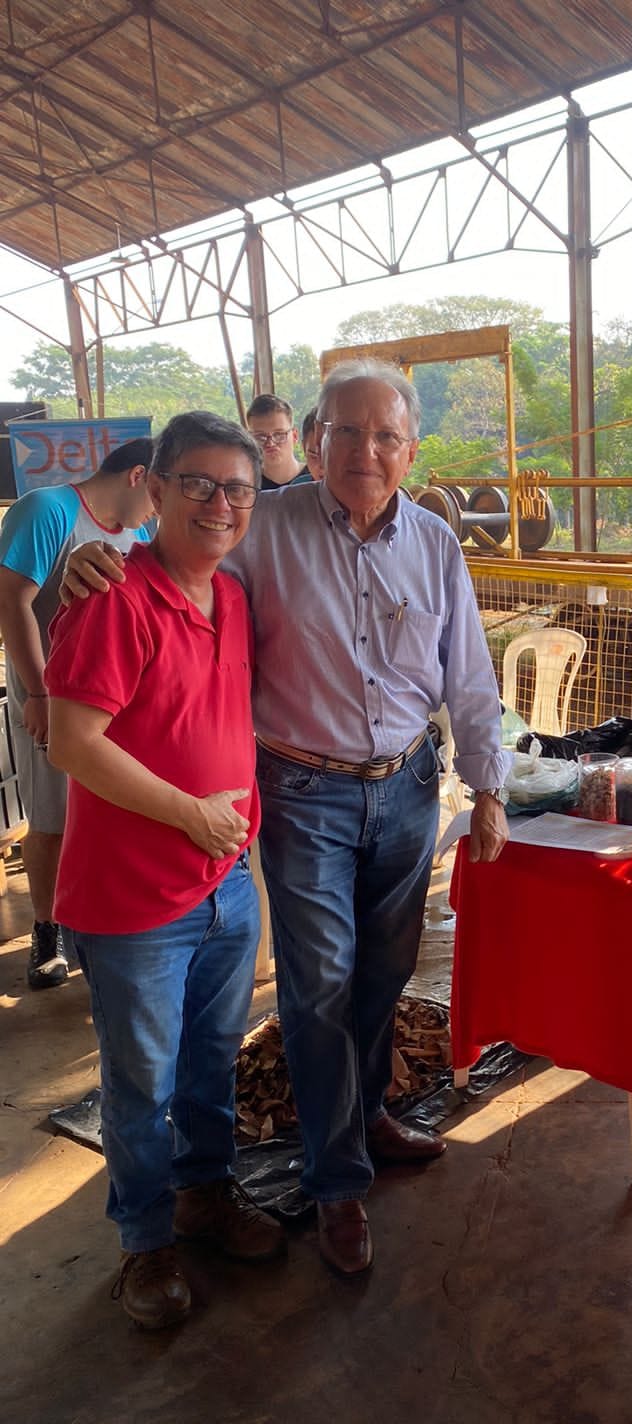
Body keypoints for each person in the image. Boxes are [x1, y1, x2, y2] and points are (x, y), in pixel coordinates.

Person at [64, 361, 509, 1279]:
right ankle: (336, 1181)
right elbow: (178, 548)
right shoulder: (265, 531)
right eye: (345, 433)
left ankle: (369, 1114)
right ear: (313, 443)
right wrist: (91, 556)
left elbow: (468, 674)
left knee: (384, 971)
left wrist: (488, 785)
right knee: (317, 986)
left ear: (410, 449)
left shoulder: (434, 542)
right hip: (301, 791)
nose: (365, 453)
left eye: (384, 436)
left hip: (408, 786)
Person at [45, 412, 282, 1329]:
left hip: (222, 885)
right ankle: (145, 1243)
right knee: (140, 1080)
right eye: (198, 485)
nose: (219, 506)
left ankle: (206, 1196)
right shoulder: (113, 597)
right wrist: (191, 815)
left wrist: (229, 845)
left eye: (237, 490)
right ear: (152, 486)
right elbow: (73, 742)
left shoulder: (232, 598)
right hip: (135, 900)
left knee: (211, 1063)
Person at [0, 438, 155, 988]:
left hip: (112, 699)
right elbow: (12, 598)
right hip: (51, 692)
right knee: (52, 816)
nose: (157, 508)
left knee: (104, 808)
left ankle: (93, 918)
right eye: (156, 493)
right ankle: (46, 928)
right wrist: (39, 693)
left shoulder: (138, 532)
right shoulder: (49, 509)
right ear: (138, 474)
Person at [247, 394, 311, 490]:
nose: (270, 443)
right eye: (260, 437)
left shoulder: (315, 479)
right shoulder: (247, 486)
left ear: (294, 436)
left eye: (279, 435)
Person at [300, 408, 324, 481]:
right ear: (304, 448)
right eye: (314, 457)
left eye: (332, 457)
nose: (322, 467)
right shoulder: (296, 490)